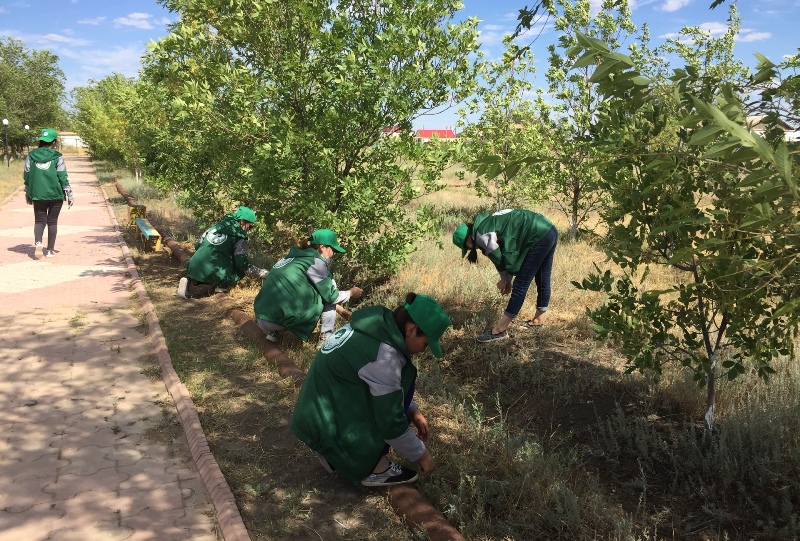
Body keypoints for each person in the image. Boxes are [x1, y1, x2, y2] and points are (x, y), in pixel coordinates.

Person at [290, 292, 451, 487]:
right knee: (386, 411)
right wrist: (422, 455)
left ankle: (335, 453)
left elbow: (379, 382)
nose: (423, 350)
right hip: (324, 423)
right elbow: (390, 421)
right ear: (411, 329)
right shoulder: (385, 356)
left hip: (315, 415)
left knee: (393, 399)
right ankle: (373, 468)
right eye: (425, 343)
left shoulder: (374, 327)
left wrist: (413, 409)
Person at [452, 208, 558, 342]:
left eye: (466, 247)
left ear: (468, 238)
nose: (469, 249)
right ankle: (538, 320)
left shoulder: (481, 235)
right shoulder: (487, 223)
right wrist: (507, 279)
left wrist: (505, 280)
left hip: (538, 235)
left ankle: (499, 331)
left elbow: (500, 259)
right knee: (543, 277)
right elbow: (508, 253)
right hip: (549, 229)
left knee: (521, 284)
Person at [254, 228, 363, 345]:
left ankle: (275, 333)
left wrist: (340, 310)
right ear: (322, 247)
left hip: (262, 316)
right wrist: (350, 293)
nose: (333, 254)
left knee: (299, 292)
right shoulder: (315, 262)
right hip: (277, 319)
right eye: (333, 250)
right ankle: (325, 341)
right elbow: (330, 296)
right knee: (331, 286)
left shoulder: (293, 257)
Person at [176, 206, 268, 299]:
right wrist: (260, 272)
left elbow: (197, 246)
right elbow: (242, 263)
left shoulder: (214, 227)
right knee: (236, 268)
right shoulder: (238, 236)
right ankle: (221, 285)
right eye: (250, 225)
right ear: (242, 221)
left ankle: (189, 281)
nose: (250, 228)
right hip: (215, 272)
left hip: (192, 266)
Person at [23, 128, 73, 259]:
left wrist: (28, 191)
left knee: (39, 221)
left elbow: (27, 175)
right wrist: (69, 193)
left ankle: (38, 242)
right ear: (54, 142)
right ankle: (50, 250)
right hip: (55, 193)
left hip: (38, 193)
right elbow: (62, 176)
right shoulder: (58, 157)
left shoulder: (31, 155)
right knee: (52, 221)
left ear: (41, 141)